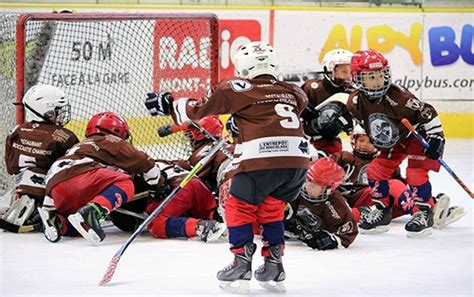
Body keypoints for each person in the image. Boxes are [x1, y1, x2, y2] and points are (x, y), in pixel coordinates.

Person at [145, 41, 310, 293]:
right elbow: (276, 113)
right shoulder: (294, 91)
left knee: (238, 208)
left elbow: (199, 109)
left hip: (261, 159)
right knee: (272, 209)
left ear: (242, 67)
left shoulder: (235, 86)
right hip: (297, 162)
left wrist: (169, 104)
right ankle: (274, 265)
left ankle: (241, 264)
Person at [347, 49, 446, 238]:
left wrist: (437, 138)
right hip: (396, 139)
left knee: (415, 175)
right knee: (375, 171)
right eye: (370, 77)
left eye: (380, 75)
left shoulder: (400, 98)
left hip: (419, 135)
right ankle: (382, 212)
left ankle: (424, 214)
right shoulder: (355, 101)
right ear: (358, 78)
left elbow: (428, 113)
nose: (377, 81)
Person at [38, 111, 161, 244]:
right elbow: (143, 161)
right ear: (117, 131)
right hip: (81, 175)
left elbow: (58, 178)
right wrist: (157, 182)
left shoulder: (78, 147)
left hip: (55, 185)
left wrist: (49, 208)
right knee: (126, 183)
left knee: (78, 225)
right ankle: (93, 212)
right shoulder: (110, 140)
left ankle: (58, 222)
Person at [333, 126, 466, 230]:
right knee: (393, 185)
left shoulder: (383, 161)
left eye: (370, 142)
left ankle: (430, 207)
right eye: (361, 140)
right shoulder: (343, 157)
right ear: (353, 140)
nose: (364, 145)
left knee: (399, 196)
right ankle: (423, 213)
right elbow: (321, 168)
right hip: (356, 199)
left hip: (378, 205)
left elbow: (401, 191)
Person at [2, 84, 79, 233]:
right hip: (50, 194)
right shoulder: (65, 136)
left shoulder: (15, 131)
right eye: (58, 110)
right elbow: (73, 169)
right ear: (46, 110)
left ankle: (23, 202)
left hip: (22, 188)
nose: (62, 114)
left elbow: (11, 168)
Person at [284, 157, 358, 250]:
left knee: (355, 214)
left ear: (328, 189)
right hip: (300, 233)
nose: (308, 186)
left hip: (320, 231)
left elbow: (349, 231)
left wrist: (331, 240)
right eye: (308, 180)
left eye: (315, 185)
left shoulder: (335, 204)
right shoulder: (297, 189)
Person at [300, 49, 354, 154]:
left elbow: (354, 118)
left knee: (333, 164)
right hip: (303, 139)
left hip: (329, 143)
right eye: (344, 72)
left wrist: (340, 124)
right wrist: (303, 108)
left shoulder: (351, 94)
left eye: (350, 72)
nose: (348, 76)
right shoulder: (311, 87)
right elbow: (293, 104)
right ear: (328, 70)